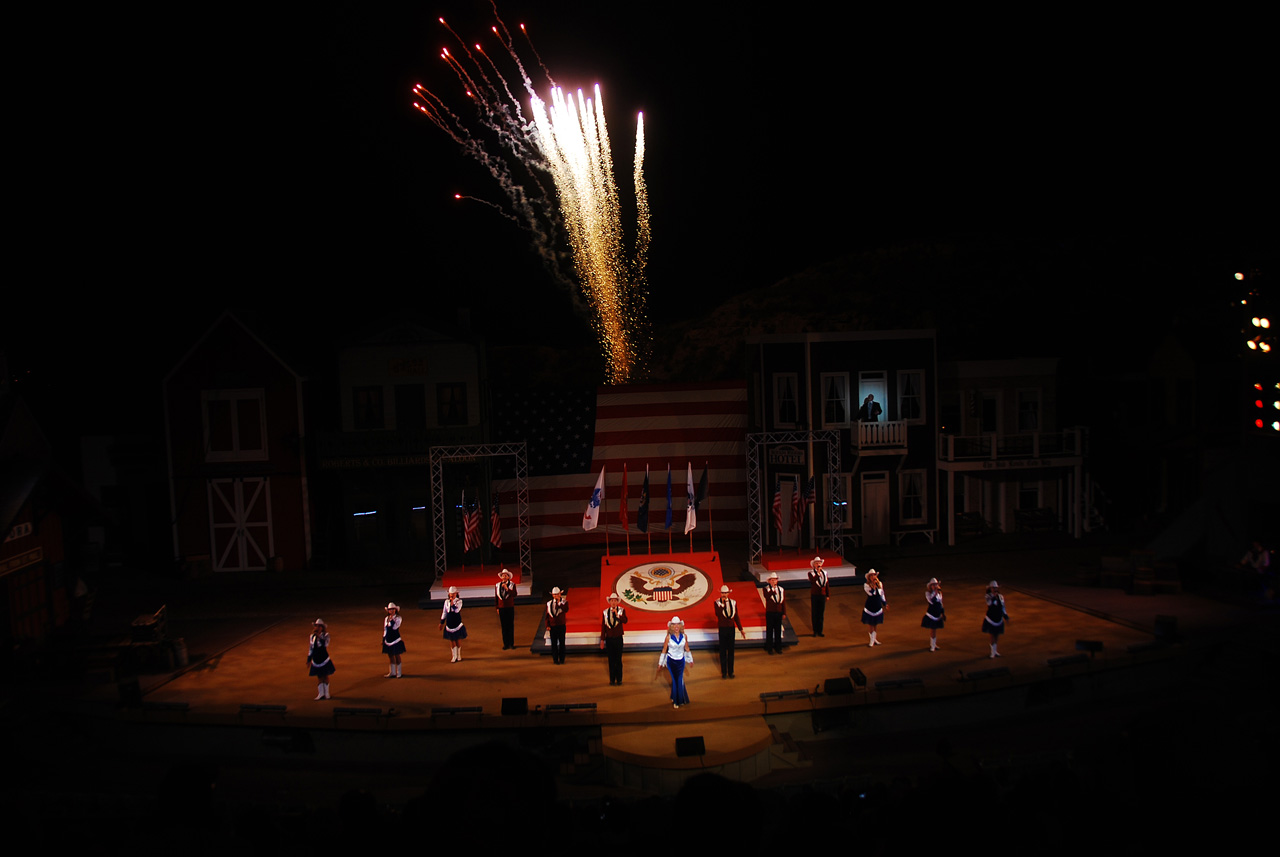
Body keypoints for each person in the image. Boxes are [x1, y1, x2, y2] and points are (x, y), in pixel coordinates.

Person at [658, 616, 693, 708]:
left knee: (679, 679)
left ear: (681, 626)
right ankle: (677, 701)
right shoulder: (668, 637)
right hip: (671, 662)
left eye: (678, 624)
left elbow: (687, 648)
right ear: (671, 626)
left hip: (681, 661)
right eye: (674, 625)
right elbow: (664, 650)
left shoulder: (684, 636)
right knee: (675, 680)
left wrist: (690, 660)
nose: (676, 626)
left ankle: (677, 697)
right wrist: (660, 663)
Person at [714, 585, 746, 678]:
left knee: (731, 650)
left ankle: (731, 671)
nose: (724, 594)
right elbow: (718, 614)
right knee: (723, 650)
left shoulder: (733, 602)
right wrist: (723, 604)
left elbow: (736, 616)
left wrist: (741, 629)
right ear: (720, 593)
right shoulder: (717, 603)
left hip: (731, 628)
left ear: (728, 593)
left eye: (725, 593)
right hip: (722, 628)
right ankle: (724, 672)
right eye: (722, 593)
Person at [599, 592, 628, 685]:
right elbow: (603, 627)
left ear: (617, 602)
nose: (614, 602)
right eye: (612, 601)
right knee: (611, 660)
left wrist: (617, 615)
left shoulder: (621, 611)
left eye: (615, 601)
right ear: (609, 602)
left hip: (618, 639)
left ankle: (619, 679)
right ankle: (612, 679)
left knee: (618, 660)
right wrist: (602, 640)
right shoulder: (605, 612)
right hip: (610, 639)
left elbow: (625, 620)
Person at [308, 619, 335, 700]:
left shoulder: (326, 635)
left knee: (325, 675)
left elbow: (325, 644)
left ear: (322, 627)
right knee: (319, 676)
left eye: (320, 626)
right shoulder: (312, 636)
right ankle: (321, 693)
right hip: (316, 659)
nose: (318, 627)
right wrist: (309, 659)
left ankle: (327, 693)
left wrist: (319, 636)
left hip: (324, 658)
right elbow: (311, 648)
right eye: (317, 626)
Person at [440, 586, 467, 662]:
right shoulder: (446, 602)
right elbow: (444, 612)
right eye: (450, 594)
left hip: (456, 622)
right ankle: (454, 656)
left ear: (456, 594)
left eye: (453, 594)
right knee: (451, 640)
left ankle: (458, 655)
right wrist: (441, 622)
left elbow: (457, 610)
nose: (451, 595)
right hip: (449, 622)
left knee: (458, 638)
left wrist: (452, 604)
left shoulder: (459, 601)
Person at [982, 581, 1009, 658]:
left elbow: (1003, 607)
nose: (994, 589)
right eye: (993, 588)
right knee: (992, 635)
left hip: (998, 618)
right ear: (990, 588)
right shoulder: (988, 596)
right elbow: (989, 603)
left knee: (996, 635)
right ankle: (992, 652)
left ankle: (995, 650)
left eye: (995, 588)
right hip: (991, 619)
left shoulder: (1000, 596)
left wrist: (1006, 616)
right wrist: (994, 596)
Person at [861, 569, 887, 646]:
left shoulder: (880, 584)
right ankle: (871, 640)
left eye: (874, 575)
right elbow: (871, 593)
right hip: (870, 605)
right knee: (871, 623)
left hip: (877, 605)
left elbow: (882, 594)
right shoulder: (866, 585)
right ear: (869, 577)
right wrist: (874, 586)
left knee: (875, 623)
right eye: (871, 576)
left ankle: (874, 638)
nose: (873, 577)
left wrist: (885, 603)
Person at [763, 571, 786, 654]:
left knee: (778, 630)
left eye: (775, 580)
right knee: (769, 631)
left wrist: (784, 613)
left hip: (778, 613)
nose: (773, 581)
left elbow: (783, 602)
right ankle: (769, 648)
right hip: (770, 613)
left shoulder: (781, 589)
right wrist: (772, 590)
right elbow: (767, 597)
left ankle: (778, 647)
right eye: (772, 580)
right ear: (769, 581)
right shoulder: (766, 589)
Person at [808, 555, 830, 637]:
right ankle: (815, 631)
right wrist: (817, 573)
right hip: (815, 595)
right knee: (814, 613)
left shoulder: (825, 573)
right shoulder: (811, 573)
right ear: (814, 565)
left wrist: (827, 595)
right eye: (816, 563)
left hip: (822, 595)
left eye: (819, 563)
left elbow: (827, 584)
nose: (818, 564)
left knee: (821, 613)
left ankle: (820, 630)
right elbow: (813, 581)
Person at [495, 568, 516, 650]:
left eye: (506, 575)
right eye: (503, 575)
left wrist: (507, 589)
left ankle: (511, 643)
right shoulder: (497, 585)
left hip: (510, 607)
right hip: (501, 608)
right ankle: (505, 643)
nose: (504, 577)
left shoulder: (512, 585)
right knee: (504, 626)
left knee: (510, 625)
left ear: (508, 577)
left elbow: (514, 594)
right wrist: (497, 607)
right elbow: (496, 597)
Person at [921, 578, 945, 651]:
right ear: (930, 586)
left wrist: (943, 613)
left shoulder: (939, 594)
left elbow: (941, 604)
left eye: (936, 585)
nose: (935, 586)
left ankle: (934, 644)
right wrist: (935, 592)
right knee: (933, 630)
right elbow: (932, 601)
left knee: (935, 630)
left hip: (937, 614)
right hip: (931, 615)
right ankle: (932, 646)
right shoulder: (928, 594)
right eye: (933, 585)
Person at [546, 587, 568, 664]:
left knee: (562, 643)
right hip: (553, 626)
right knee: (554, 644)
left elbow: (566, 609)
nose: (556, 596)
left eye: (557, 594)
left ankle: (562, 659)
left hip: (561, 625)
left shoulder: (564, 602)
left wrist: (559, 603)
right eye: (554, 594)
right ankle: (555, 660)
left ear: (560, 594)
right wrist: (547, 625)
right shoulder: (549, 603)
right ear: (552, 595)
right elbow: (547, 615)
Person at [382, 602, 405, 677]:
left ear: (395, 610)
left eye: (392, 609)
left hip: (395, 639)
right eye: (390, 609)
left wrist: (392, 620)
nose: (391, 611)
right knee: (390, 655)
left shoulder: (398, 618)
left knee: (397, 655)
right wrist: (383, 638)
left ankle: (399, 672)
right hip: (388, 639)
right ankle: (392, 672)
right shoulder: (386, 619)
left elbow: (395, 627)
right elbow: (385, 629)